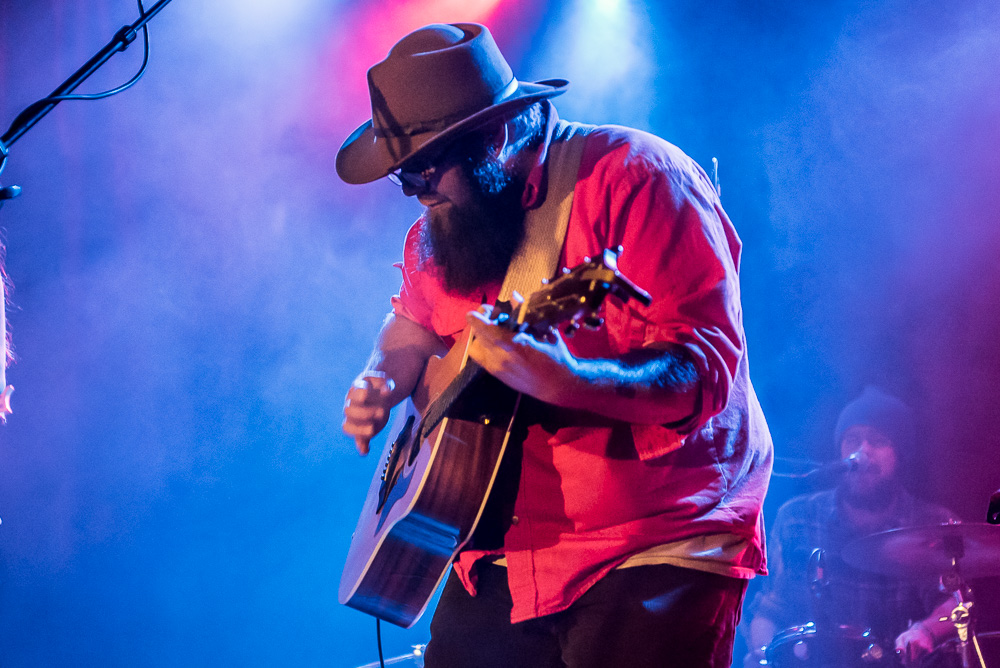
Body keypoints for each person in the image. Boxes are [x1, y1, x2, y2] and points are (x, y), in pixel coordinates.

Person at [338, 23, 772, 668]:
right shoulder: (442, 227)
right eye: (404, 177)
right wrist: (380, 381)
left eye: (428, 167)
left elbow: (698, 373)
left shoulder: (638, 179)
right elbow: (412, 325)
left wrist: (565, 378)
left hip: (651, 542)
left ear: (499, 132)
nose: (417, 190)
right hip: (499, 550)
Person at [743, 386, 958, 668]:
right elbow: (771, 609)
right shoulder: (797, 517)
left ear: (901, 454)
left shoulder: (933, 524)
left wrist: (925, 631)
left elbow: (954, 604)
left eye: (878, 441)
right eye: (852, 439)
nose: (862, 451)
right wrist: (764, 655)